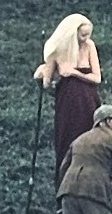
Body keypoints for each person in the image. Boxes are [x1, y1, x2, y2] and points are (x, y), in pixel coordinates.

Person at [33, 13, 102, 189]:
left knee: (90, 141)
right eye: (82, 35)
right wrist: (41, 73)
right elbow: (47, 83)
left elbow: (97, 78)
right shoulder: (56, 51)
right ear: (71, 34)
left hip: (88, 101)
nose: (86, 38)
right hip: (67, 104)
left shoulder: (89, 46)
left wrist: (73, 72)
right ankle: (66, 188)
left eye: (88, 34)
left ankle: (92, 185)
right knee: (67, 142)